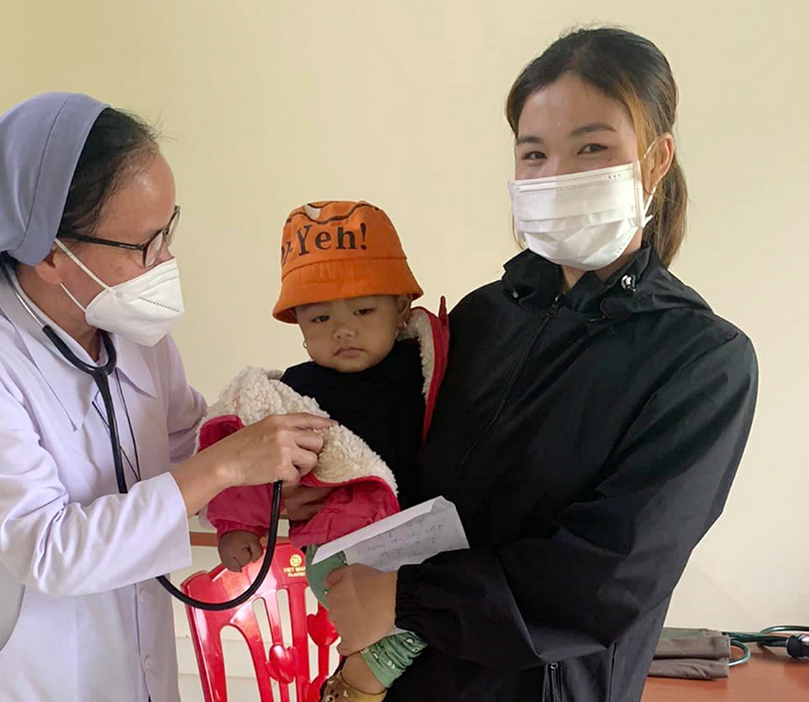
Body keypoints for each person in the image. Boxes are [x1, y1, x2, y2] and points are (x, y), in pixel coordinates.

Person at [290, 28, 759, 702]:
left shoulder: (701, 360)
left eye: (592, 147)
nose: (557, 174)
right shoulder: (479, 319)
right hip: (409, 676)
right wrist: (331, 485)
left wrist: (408, 596)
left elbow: (610, 578)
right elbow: (406, 463)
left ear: (655, 159)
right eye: (535, 153)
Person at [0, 93, 331, 702]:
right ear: (48, 250)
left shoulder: (133, 332)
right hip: (19, 675)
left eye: (168, 230)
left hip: (133, 657)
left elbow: (183, 449)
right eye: (143, 244)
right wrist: (228, 464)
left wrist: (267, 493)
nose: (166, 260)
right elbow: (48, 550)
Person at [201, 201, 449, 701]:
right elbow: (249, 462)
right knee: (419, 616)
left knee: (448, 599)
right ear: (297, 324)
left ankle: (361, 673)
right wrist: (237, 527)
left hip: (413, 538)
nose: (343, 330)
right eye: (320, 318)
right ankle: (365, 676)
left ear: (401, 308)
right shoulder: (293, 391)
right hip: (335, 547)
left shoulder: (424, 370)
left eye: (363, 311)